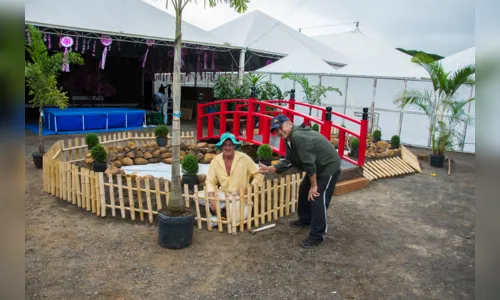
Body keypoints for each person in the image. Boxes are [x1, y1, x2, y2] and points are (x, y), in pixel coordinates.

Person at [259, 115, 341, 249]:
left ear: (289, 124)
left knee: (316, 196)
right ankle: (305, 220)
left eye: (281, 128)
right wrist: (271, 168)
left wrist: (314, 186)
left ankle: (317, 235)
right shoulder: (290, 138)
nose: (279, 132)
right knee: (304, 189)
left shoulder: (298, 137)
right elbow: (289, 160)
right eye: (276, 130)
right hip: (317, 167)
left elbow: (309, 163)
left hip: (328, 167)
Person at [205, 133, 264, 213]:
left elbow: (259, 173)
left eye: (230, 145)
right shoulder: (215, 161)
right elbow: (210, 181)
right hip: (222, 194)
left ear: (234, 146)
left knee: (237, 218)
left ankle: (225, 210)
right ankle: (223, 208)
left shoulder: (244, 158)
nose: (227, 147)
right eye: (225, 145)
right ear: (221, 147)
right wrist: (212, 201)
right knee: (197, 197)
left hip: (239, 196)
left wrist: (251, 187)